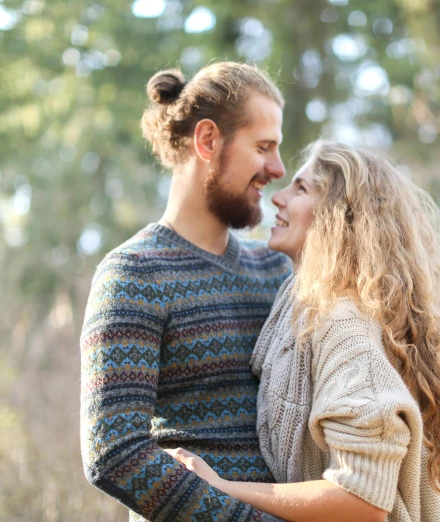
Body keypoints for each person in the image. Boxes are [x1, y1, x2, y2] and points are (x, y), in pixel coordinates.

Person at [168, 140, 440, 521]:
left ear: (341, 215)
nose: (278, 197)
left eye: (301, 188)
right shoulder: (305, 309)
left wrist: (222, 488)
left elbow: (363, 502)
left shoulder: (342, 324)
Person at [79, 63, 293, 522]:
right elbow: (115, 451)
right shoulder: (134, 273)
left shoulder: (280, 272)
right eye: (263, 147)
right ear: (208, 140)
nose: (277, 169)